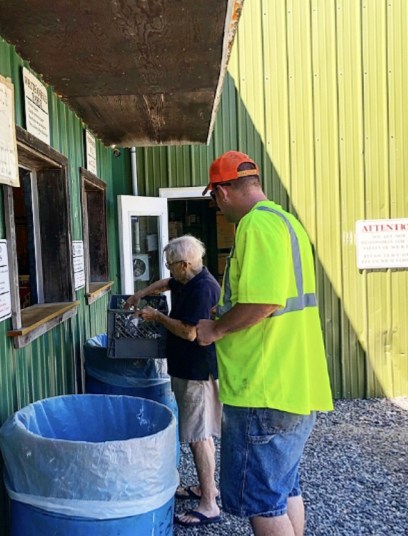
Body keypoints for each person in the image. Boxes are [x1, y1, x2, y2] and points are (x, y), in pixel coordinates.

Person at [196, 151, 334, 536]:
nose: (217, 207)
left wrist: (216, 329)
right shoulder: (285, 222)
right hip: (293, 382)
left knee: (262, 503)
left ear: (222, 192)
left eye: (214, 198)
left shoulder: (255, 226)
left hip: (263, 387)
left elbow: (264, 301)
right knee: (285, 488)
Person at [125, 235, 223, 527]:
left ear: (184, 264)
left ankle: (209, 504)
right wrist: (140, 294)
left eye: (170, 265)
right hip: (185, 368)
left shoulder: (203, 289)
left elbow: (189, 333)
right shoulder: (187, 278)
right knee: (197, 434)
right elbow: (167, 284)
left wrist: (156, 316)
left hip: (198, 372)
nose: (168, 272)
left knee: (199, 437)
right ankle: (207, 487)